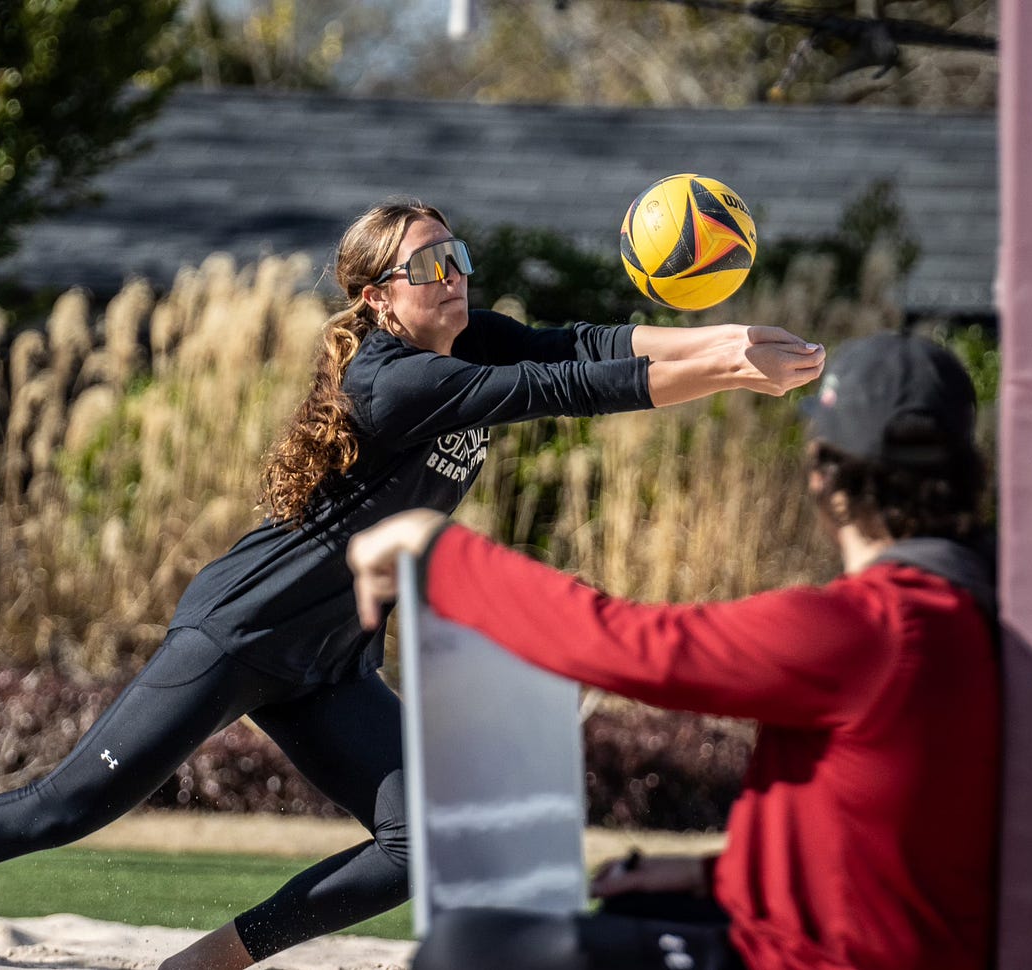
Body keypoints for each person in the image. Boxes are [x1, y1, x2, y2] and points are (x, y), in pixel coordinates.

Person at [0, 199, 824, 970]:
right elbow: (562, 385)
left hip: (327, 658)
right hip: (241, 630)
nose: (454, 274)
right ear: (377, 297)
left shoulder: (462, 339)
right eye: (430, 263)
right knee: (61, 809)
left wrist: (727, 338)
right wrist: (724, 366)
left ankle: (213, 959)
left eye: (458, 254)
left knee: (430, 839)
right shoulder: (392, 379)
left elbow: (581, 340)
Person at [346, 330, 997, 970]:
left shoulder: (869, 630)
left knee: (470, 950)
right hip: (869, 945)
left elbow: (637, 648)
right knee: (632, 916)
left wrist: (439, 553)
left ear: (826, 478)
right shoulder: (963, 619)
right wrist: (708, 877)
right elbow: (879, 850)